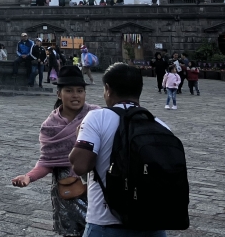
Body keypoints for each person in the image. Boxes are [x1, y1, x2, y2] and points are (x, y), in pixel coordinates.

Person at [69, 63, 173, 237]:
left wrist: (79, 136)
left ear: (108, 89)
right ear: (139, 90)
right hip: (152, 223)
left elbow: (80, 166)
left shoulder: (97, 117)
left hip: (106, 224)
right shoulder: (160, 125)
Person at [12, 66, 98, 236]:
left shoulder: (97, 115)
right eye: (69, 91)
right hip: (68, 190)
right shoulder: (50, 126)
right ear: (59, 94)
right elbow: (47, 161)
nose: (75, 95)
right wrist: (29, 177)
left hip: (96, 187)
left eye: (80, 91)